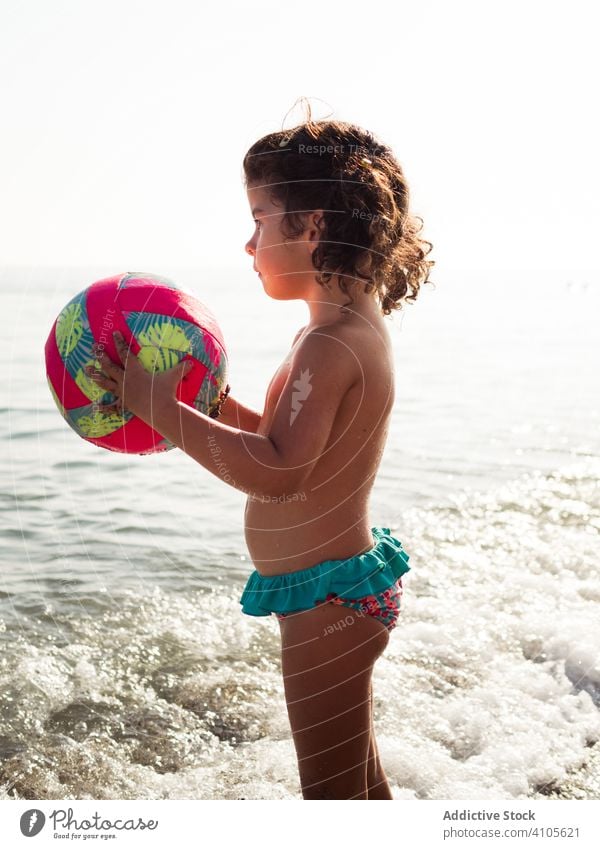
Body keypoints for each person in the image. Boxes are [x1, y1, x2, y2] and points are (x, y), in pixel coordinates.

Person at [86, 105, 434, 800]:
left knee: (329, 798)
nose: (249, 244)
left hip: (327, 607)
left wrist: (162, 409)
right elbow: (280, 440)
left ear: (314, 226)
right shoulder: (341, 329)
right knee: (360, 787)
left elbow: (277, 472)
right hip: (338, 593)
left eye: (259, 220)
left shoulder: (329, 343)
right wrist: (205, 400)